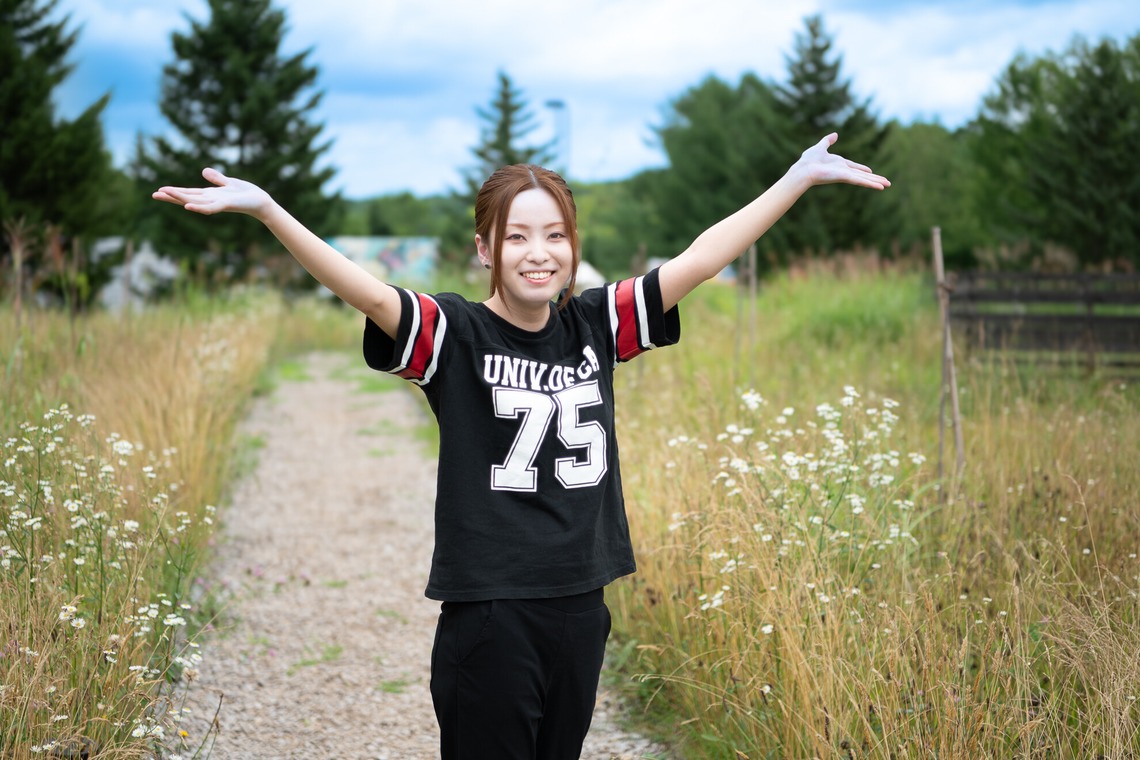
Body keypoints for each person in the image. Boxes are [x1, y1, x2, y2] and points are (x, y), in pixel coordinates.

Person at [153, 132, 888, 759]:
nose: (539, 253)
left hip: (582, 608)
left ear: (572, 247)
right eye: (517, 236)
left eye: (556, 235)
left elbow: (698, 259)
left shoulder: (596, 327)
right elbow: (372, 294)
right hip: (492, 616)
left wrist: (794, 181)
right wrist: (270, 210)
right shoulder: (459, 336)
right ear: (485, 249)